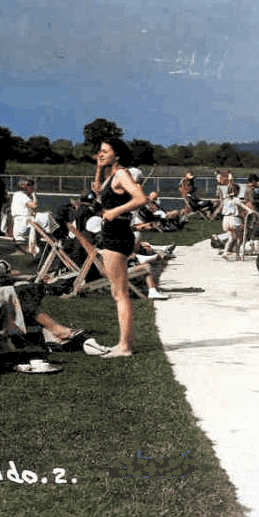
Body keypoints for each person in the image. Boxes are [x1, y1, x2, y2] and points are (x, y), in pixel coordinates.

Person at [91, 137, 148, 358]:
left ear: (118, 155)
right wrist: (98, 169)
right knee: (118, 292)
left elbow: (140, 198)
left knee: (120, 293)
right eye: (99, 151)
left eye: (105, 151)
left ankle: (124, 346)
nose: (101, 154)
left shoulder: (122, 174)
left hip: (117, 234)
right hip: (112, 234)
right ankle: (123, 343)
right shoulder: (110, 176)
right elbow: (98, 192)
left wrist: (115, 212)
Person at [220, 183, 253, 260]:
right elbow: (243, 206)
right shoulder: (236, 200)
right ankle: (238, 253)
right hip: (234, 220)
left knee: (231, 238)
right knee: (239, 237)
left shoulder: (225, 200)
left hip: (225, 220)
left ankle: (225, 252)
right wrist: (250, 210)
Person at [11, 178, 38, 253]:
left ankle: (31, 249)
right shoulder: (22, 196)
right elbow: (34, 206)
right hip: (22, 222)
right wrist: (34, 196)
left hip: (19, 223)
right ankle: (32, 249)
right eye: (32, 188)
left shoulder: (17, 195)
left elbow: (33, 211)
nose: (33, 189)